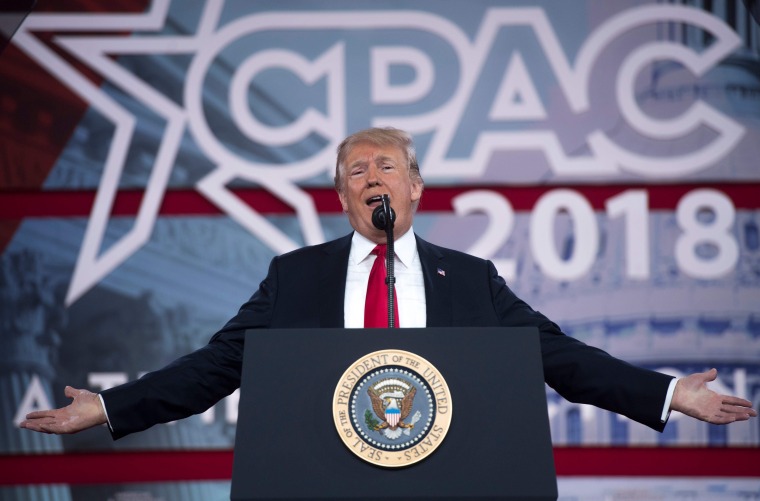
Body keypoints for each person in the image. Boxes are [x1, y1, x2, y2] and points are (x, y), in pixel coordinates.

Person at [20, 127, 756, 438]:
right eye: (355, 172)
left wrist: (668, 392)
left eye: (386, 167)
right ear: (342, 199)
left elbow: (559, 358)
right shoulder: (295, 276)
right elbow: (215, 366)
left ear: (416, 188)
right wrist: (111, 407)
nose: (371, 178)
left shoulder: (469, 281)